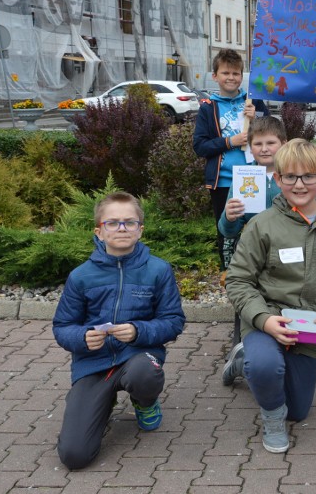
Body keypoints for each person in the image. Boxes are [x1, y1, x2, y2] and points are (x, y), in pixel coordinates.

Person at [226, 139, 316, 454]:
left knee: (299, 412)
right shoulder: (262, 225)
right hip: (268, 318)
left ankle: (243, 360)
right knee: (266, 368)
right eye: (290, 177)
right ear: (277, 179)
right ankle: (270, 411)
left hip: (310, 325)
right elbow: (238, 280)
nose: (299, 185)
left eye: (308, 177)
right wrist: (265, 320)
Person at [52, 192, 186, 470]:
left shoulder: (158, 270)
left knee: (144, 373)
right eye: (113, 223)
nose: (122, 229)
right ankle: (99, 400)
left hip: (138, 356)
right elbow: (62, 327)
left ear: (141, 230)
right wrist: (82, 338)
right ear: (99, 231)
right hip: (94, 364)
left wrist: (138, 331)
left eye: (130, 222)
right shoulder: (81, 276)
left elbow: (173, 321)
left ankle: (144, 402)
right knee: (74, 456)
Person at [218, 116, 287, 386]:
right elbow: (227, 231)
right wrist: (230, 216)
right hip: (253, 255)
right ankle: (242, 345)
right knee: (249, 296)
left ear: (283, 144)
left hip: (284, 254)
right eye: (258, 143)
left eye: (271, 142)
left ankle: (275, 342)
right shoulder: (243, 178)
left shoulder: (289, 177)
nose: (265, 148)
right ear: (249, 146)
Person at [192, 48, 267, 269]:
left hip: (255, 175)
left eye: (236, 73)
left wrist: (257, 118)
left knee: (260, 226)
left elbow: (271, 133)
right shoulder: (208, 108)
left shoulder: (253, 101)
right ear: (215, 76)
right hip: (223, 181)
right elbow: (200, 146)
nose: (231, 78)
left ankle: (260, 269)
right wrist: (229, 142)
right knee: (226, 229)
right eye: (226, 73)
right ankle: (229, 272)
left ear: (241, 76)